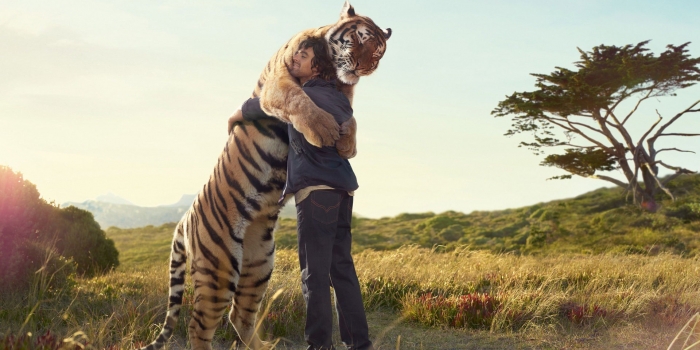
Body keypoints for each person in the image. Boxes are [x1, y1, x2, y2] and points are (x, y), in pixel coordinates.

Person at [228, 37, 372, 350]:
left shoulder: (304, 96)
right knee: (342, 271)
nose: (295, 60)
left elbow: (272, 102)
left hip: (317, 193)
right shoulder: (337, 98)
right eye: (295, 55)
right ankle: (359, 343)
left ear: (317, 66)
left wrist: (238, 113)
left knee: (314, 275)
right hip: (343, 191)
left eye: (303, 57)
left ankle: (319, 345)